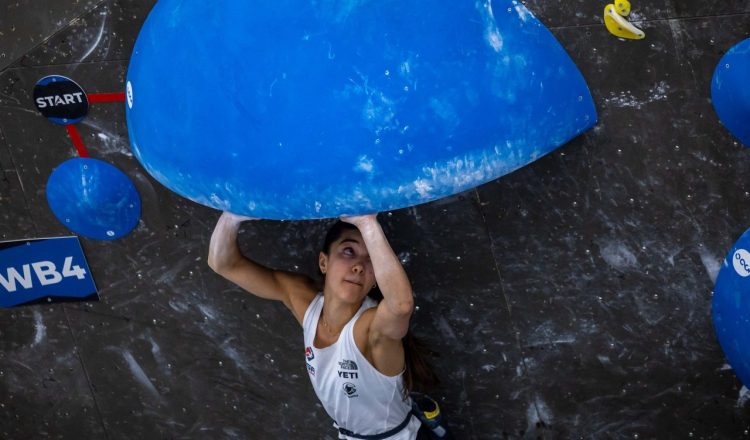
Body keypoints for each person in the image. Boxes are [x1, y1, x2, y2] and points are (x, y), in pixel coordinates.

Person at [208, 212, 449, 439]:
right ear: (324, 262)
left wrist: (367, 223)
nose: (359, 266)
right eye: (348, 251)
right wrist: (233, 215)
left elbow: (401, 305)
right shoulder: (304, 302)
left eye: (370, 260)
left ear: (376, 277)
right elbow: (222, 263)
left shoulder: (370, 329)